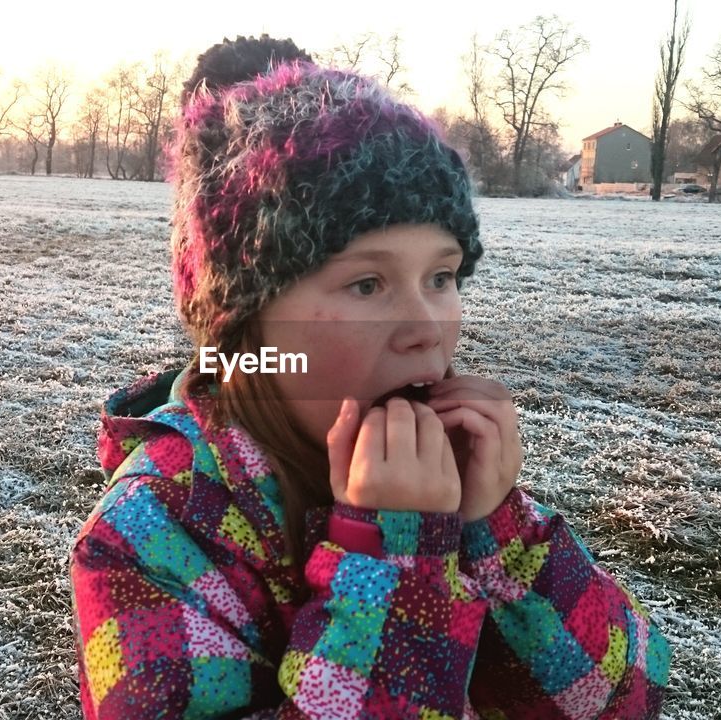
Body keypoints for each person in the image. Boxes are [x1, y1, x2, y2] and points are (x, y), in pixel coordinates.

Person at [70, 35, 670, 719]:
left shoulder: (446, 471)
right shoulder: (152, 533)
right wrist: (391, 563)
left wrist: (502, 532)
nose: (426, 327)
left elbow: (625, 699)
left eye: (441, 276)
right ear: (248, 322)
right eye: (366, 283)